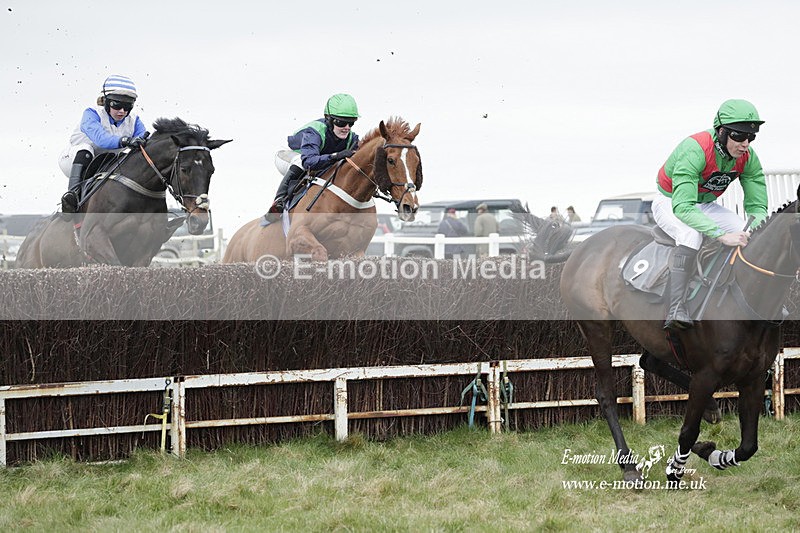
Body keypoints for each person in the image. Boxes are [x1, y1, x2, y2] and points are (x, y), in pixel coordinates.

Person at [653, 99, 768, 330]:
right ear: (722, 131)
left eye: (750, 137)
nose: (745, 144)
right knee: (690, 235)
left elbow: (757, 206)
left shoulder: (747, 156)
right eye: (739, 136)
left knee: (747, 231)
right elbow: (683, 207)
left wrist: (758, 226)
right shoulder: (695, 148)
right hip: (671, 201)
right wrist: (719, 235)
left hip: (704, 204)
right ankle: (676, 308)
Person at [58, 74, 148, 215]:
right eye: (117, 105)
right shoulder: (91, 113)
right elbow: (101, 139)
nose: (122, 111)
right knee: (85, 149)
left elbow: (145, 142)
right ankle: (72, 198)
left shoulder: (134, 120)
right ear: (106, 102)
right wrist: (124, 141)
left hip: (107, 162)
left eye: (127, 106)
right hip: (76, 159)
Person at [265, 93, 360, 221]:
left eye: (351, 123)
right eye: (341, 122)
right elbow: (308, 162)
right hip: (290, 156)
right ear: (329, 119)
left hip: (317, 160)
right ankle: (278, 203)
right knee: (299, 162)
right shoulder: (314, 132)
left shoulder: (352, 138)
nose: (347, 128)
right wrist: (336, 156)